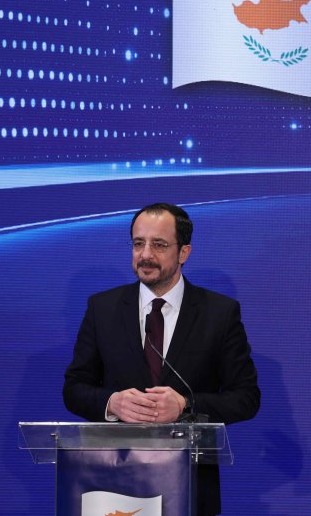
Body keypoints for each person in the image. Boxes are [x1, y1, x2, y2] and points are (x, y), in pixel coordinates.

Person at [64, 203, 260, 516]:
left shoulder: (219, 314)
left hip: (188, 486)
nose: (145, 255)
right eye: (138, 243)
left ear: (184, 252)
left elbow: (246, 398)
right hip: (112, 484)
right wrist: (112, 403)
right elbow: (74, 389)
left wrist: (185, 404)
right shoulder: (103, 309)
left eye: (159, 245)